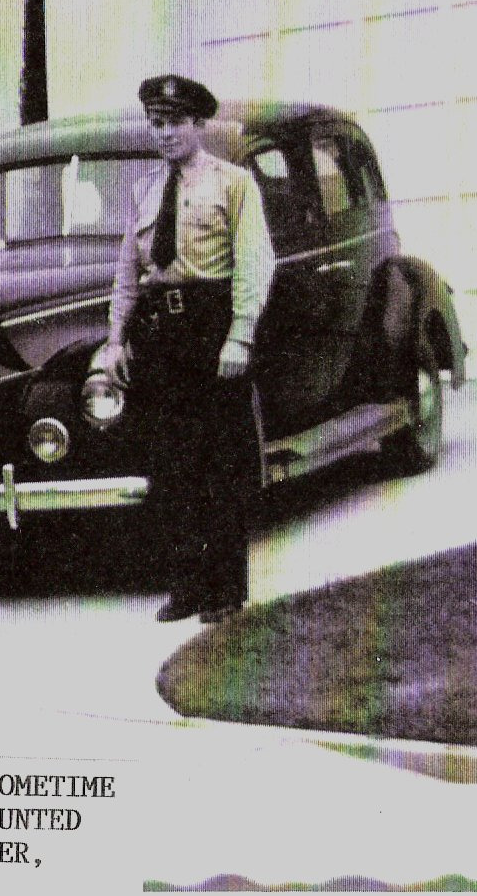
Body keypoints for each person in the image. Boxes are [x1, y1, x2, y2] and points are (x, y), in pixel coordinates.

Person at [93, 75, 275, 625]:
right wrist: (116, 339)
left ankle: (226, 590)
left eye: (174, 122)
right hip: (161, 336)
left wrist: (239, 335)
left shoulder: (234, 183)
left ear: (198, 125)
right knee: (173, 465)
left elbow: (254, 265)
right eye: (157, 123)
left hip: (211, 326)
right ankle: (188, 584)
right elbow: (129, 272)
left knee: (223, 464)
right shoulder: (146, 190)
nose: (165, 133)